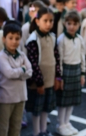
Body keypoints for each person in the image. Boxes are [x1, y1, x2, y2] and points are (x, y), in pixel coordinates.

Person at [26, 8, 60, 136]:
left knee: (46, 107)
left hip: (50, 79)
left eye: (51, 21)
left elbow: (56, 57)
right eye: (45, 20)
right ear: (37, 21)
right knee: (37, 109)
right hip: (38, 81)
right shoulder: (33, 39)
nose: (48, 24)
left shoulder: (52, 37)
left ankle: (43, 130)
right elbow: (33, 63)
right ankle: (36, 132)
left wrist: (58, 77)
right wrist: (39, 83)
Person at [0, 22, 32, 136]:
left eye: (17, 38)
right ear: (3, 39)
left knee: (16, 126)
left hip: (20, 96)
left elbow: (30, 72)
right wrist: (22, 69)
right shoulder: (2, 56)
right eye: (10, 38)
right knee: (3, 127)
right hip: (6, 97)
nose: (14, 41)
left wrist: (19, 71)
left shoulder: (21, 54)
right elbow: (9, 73)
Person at [56, 11, 86, 136]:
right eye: (69, 23)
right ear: (64, 23)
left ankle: (67, 122)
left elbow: (82, 56)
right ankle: (60, 124)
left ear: (79, 25)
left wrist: (83, 73)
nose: (72, 26)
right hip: (66, 71)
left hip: (76, 69)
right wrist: (60, 77)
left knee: (72, 100)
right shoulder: (61, 39)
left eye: (74, 24)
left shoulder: (79, 39)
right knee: (63, 100)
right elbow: (60, 60)